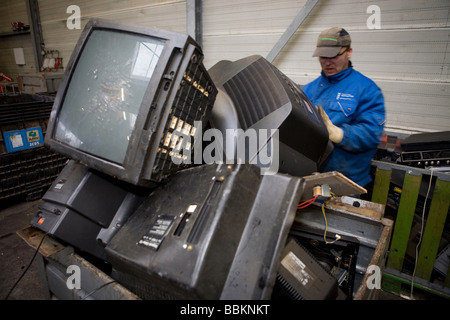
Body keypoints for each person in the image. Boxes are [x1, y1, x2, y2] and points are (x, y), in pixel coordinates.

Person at [302, 27, 385, 188]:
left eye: (333, 56)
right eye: (322, 56)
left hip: (346, 183)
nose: (327, 62)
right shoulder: (308, 90)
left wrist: (339, 134)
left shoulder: (367, 89)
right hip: (312, 177)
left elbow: (372, 134)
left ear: (349, 52)